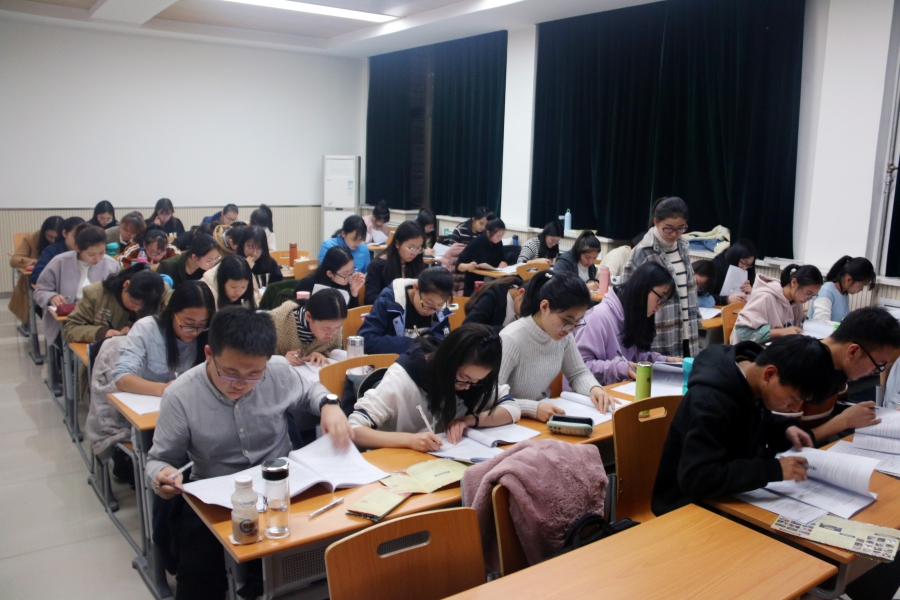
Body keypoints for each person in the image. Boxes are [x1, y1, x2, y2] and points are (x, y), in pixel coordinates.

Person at [146, 306, 351, 600]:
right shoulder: (181, 396)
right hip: (217, 500)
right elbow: (160, 460)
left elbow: (312, 393)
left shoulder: (278, 371)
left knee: (333, 545)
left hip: (283, 487)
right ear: (208, 354)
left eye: (254, 374)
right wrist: (162, 475)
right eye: (230, 373)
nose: (241, 383)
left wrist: (329, 404)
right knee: (199, 574)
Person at [650, 335, 836, 517]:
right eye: (794, 398)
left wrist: (784, 427)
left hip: (728, 498)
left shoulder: (752, 384)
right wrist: (773, 470)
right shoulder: (709, 402)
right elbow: (697, 478)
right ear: (770, 374)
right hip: (686, 508)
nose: (795, 408)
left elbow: (751, 422)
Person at [350, 324, 521, 450]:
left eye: (478, 381)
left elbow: (512, 408)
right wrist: (409, 440)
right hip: (395, 464)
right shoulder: (403, 377)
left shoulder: (474, 381)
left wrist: (467, 420)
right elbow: (354, 429)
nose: (468, 388)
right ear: (449, 364)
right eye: (463, 378)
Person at [498, 271, 613, 423]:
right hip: (510, 422)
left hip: (543, 417)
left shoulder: (563, 336)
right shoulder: (511, 338)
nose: (570, 329)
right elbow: (492, 395)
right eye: (567, 321)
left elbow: (578, 373)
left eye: (577, 322)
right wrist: (531, 408)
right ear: (544, 306)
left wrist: (594, 388)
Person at [570, 263, 681, 386]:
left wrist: (664, 361)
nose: (660, 306)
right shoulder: (597, 317)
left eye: (664, 302)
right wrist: (619, 368)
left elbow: (634, 356)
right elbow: (578, 368)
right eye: (661, 298)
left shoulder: (633, 315)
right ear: (643, 288)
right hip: (590, 393)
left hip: (619, 390)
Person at [803, 307, 900, 440]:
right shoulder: (801, 366)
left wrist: (887, 416)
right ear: (853, 351)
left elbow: (839, 410)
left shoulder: (840, 366)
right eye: (878, 365)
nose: (874, 371)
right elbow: (784, 444)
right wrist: (844, 421)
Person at [621, 197, 699, 358]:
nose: (674, 234)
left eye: (680, 228)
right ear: (656, 222)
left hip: (686, 332)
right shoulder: (642, 252)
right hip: (657, 335)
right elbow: (627, 297)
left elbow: (688, 292)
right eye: (668, 228)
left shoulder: (683, 247)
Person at [113, 280, 215, 397]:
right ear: (172, 313)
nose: (195, 332)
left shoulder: (207, 335)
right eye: (188, 324)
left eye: (202, 325)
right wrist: (165, 389)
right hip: (146, 402)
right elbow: (122, 378)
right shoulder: (147, 329)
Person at [34, 224, 119, 344]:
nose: (97, 258)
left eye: (102, 252)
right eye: (91, 254)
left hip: (101, 319)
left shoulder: (111, 264)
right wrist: (52, 297)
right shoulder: (60, 262)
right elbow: (40, 290)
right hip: (66, 320)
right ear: (77, 248)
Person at [358, 267, 454, 355]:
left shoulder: (440, 309)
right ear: (416, 288)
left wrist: (431, 340)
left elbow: (445, 338)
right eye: (428, 304)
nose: (432, 311)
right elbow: (366, 340)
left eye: (439, 305)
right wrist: (416, 343)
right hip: (391, 364)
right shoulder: (389, 302)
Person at [62, 264, 166, 343]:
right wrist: (102, 333)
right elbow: (70, 329)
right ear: (126, 284)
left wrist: (135, 328)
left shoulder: (158, 293)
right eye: (133, 302)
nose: (137, 309)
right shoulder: (96, 294)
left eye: (144, 306)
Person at [730, 264, 823, 344]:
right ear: (794, 283)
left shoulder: (797, 302)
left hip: (775, 349)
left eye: (813, 296)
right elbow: (742, 333)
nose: (808, 299)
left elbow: (793, 327)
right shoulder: (765, 297)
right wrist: (781, 332)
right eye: (808, 294)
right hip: (749, 352)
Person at [271, 288, 346, 366]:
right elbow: (263, 359)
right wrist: (282, 359)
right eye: (326, 328)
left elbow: (333, 351)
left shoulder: (334, 325)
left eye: (337, 327)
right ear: (309, 316)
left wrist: (322, 354)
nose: (331, 334)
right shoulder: (276, 322)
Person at [9, 215, 61, 325]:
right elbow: (15, 260)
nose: (52, 240)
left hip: (60, 281)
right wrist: (38, 262)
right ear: (43, 232)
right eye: (49, 236)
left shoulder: (66, 242)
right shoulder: (32, 239)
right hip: (37, 280)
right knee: (42, 299)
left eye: (56, 238)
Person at [364, 221, 427, 304]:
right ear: (397, 244)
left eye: (418, 248)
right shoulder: (377, 266)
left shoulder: (418, 263)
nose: (414, 253)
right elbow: (371, 298)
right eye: (410, 248)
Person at [808, 256, 876, 323]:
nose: (861, 289)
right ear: (848, 280)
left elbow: (840, 318)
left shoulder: (843, 292)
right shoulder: (827, 290)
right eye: (862, 285)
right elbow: (821, 322)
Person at [294, 246, 365, 309]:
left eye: (352, 270)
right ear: (330, 273)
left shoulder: (346, 283)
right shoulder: (308, 284)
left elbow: (352, 315)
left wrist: (354, 292)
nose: (349, 277)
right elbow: (297, 312)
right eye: (345, 273)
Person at [456, 218, 508, 296]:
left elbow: (502, 259)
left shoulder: (498, 243)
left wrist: (503, 263)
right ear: (488, 232)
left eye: (502, 236)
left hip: (492, 281)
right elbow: (458, 265)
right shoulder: (476, 243)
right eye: (498, 236)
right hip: (475, 285)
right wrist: (468, 266)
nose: (500, 239)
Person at [30, 216, 85, 285]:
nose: (79, 240)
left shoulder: (88, 250)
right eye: (75, 236)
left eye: (83, 237)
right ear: (65, 233)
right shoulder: (52, 251)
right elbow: (36, 276)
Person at [712, 239, 757, 304]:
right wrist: (726, 299)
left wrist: (751, 292)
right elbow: (704, 297)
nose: (745, 268)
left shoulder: (749, 269)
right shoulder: (716, 266)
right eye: (744, 263)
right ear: (735, 257)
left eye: (748, 265)